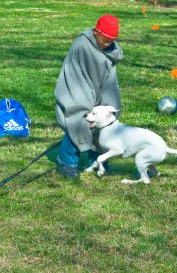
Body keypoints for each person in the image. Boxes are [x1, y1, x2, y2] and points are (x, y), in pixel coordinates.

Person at [54, 14, 124, 178]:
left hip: (99, 92)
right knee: (80, 120)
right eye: (104, 39)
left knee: (104, 122)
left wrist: (105, 104)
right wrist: (86, 103)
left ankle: (98, 160)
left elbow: (109, 79)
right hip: (77, 90)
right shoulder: (82, 45)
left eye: (110, 41)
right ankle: (67, 162)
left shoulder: (111, 50)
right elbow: (77, 75)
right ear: (95, 32)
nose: (106, 44)